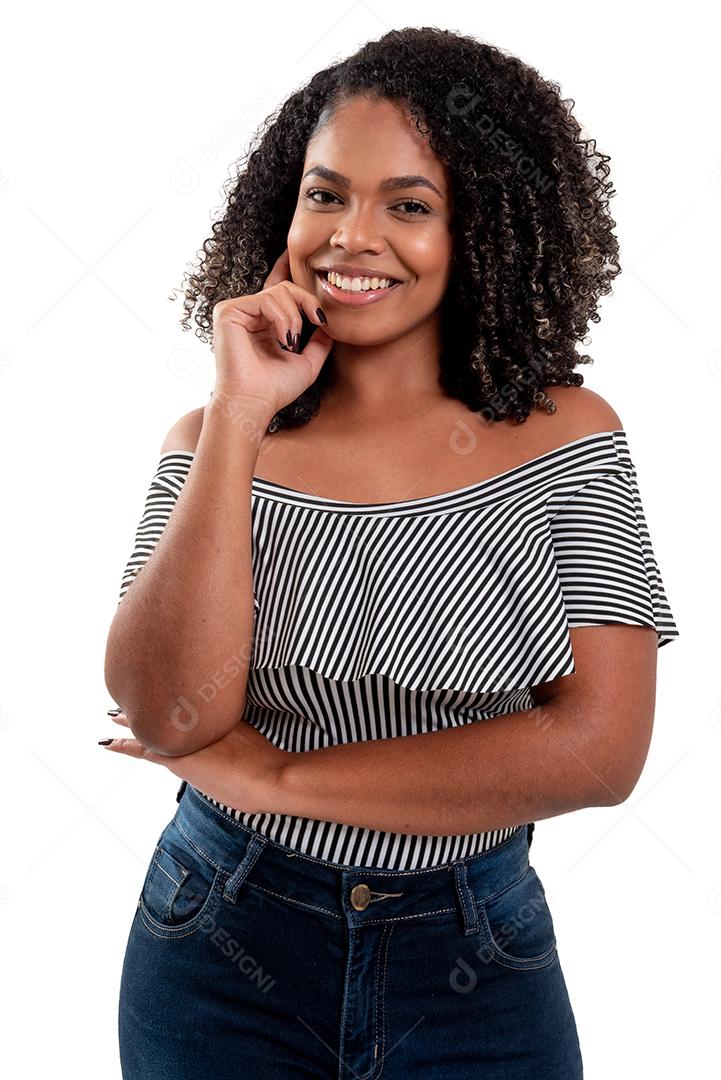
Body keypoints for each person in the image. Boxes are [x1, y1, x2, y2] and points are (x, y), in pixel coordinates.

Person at [102, 27, 679, 1079]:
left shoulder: (566, 438)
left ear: (485, 230)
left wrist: (268, 774)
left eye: (407, 206)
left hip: (472, 955)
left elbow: (598, 753)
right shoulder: (210, 440)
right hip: (217, 941)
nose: (349, 237)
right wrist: (238, 416)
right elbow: (166, 712)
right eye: (325, 196)